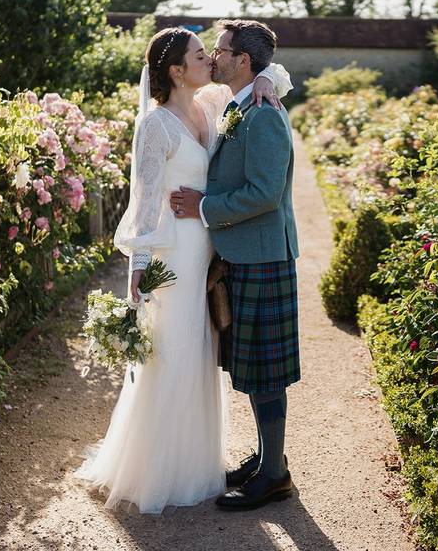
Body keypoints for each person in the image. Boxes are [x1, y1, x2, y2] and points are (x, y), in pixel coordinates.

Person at [74, 25, 292, 513]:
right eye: (200, 53)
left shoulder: (209, 104)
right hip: (174, 254)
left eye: (215, 52)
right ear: (176, 70)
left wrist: (265, 82)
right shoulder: (156, 125)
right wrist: (141, 263)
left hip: (209, 253)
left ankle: (198, 461)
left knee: (199, 350)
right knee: (169, 351)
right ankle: (159, 469)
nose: (211, 59)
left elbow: (267, 70)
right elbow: (146, 199)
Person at [169, 19, 300, 510]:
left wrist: (203, 207)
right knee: (254, 365)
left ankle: (275, 474)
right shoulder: (241, 102)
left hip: (263, 254)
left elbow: (266, 195)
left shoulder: (262, 114)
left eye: (220, 50)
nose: (214, 58)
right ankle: (269, 459)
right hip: (248, 254)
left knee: (266, 369)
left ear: (243, 61)